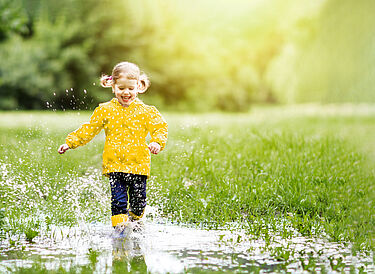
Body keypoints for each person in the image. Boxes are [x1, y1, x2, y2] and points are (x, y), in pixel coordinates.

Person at [58, 62, 168, 229]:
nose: (126, 92)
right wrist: (70, 143)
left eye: (131, 88)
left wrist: (156, 142)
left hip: (139, 166)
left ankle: (135, 222)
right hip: (114, 166)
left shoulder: (147, 111)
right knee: (118, 202)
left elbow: (160, 127)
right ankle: (120, 235)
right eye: (121, 88)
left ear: (138, 86)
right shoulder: (105, 110)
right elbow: (89, 129)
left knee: (138, 204)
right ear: (113, 87)